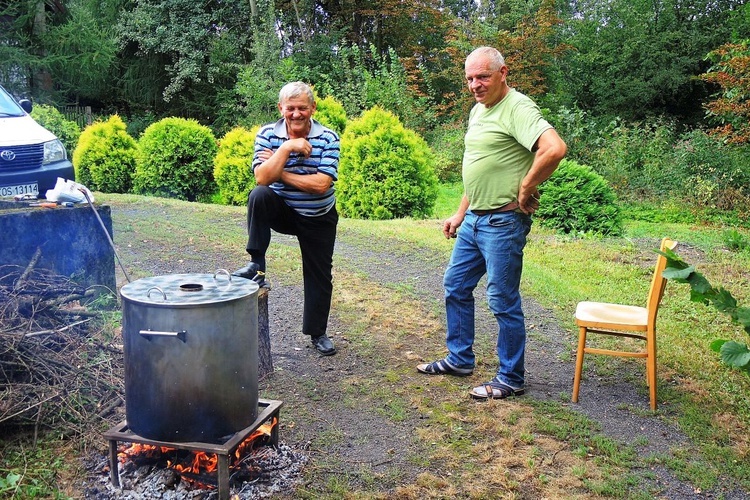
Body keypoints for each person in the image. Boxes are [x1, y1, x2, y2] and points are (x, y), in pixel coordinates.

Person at [417, 47, 567, 399]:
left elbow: (554, 148)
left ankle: (511, 377)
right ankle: (459, 358)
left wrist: (527, 186)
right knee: (455, 285)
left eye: (482, 76)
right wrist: (459, 212)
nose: (475, 84)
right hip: (474, 219)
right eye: (469, 78)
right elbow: (481, 166)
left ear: (503, 73)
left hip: (503, 221)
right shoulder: (478, 110)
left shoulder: (517, 107)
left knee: (501, 298)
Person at [233, 81, 340, 356]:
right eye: (290, 108)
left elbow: (321, 185)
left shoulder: (328, 137)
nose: (296, 114)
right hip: (282, 209)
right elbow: (261, 178)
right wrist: (286, 149)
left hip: (318, 214)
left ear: (313, 108)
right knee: (259, 195)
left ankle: (318, 333)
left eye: (302, 108)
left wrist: (279, 171)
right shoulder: (268, 133)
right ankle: (256, 265)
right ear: (281, 108)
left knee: (319, 275)